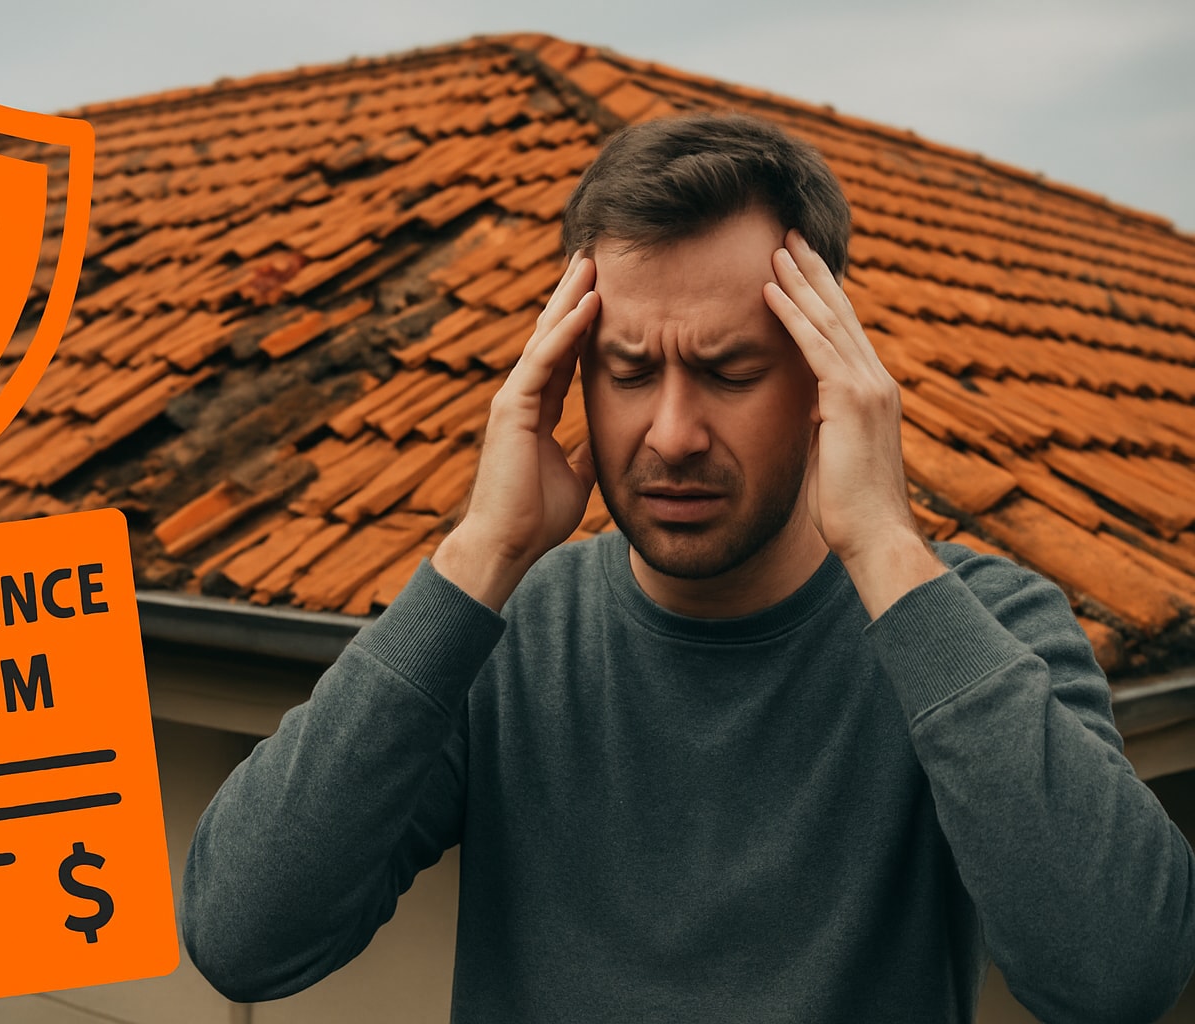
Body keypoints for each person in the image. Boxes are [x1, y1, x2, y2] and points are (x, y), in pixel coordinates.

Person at [180, 113, 1195, 1022]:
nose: (669, 434)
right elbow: (243, 935)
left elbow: (1116, 974)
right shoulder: (512, 631)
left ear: (824, 374)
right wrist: (479, 554)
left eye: (729, 371)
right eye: (627, 371)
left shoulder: (980, 622)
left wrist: (886, 546)